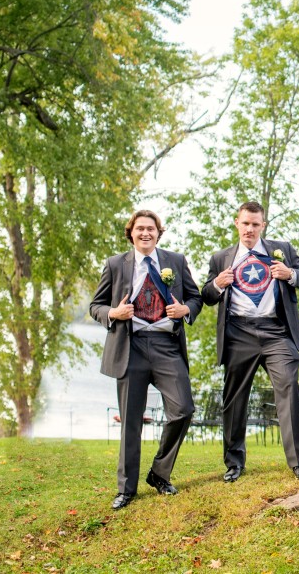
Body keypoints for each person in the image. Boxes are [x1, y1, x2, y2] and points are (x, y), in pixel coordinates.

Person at [90, 210, 202, 510]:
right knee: (130, 423)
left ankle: (159, 473)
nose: (145, 233)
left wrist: (185, 311)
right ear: (131, 233)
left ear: (158, 233)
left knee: (183, 409)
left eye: (150, 229)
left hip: (167, 345)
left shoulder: (175, 261)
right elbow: (96, 305)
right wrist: (113, 313)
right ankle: (126, 489)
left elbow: (195, 298)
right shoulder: (116, 264)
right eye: (139, 229)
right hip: (131, 346)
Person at [202, 201, 299, 482]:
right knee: (234, 398)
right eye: (245, 223)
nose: (250, 229)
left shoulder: (282, 250)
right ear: (236, 223)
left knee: (289, 387)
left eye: (255, 224)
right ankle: (234, 463)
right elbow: (205, 294)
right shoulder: (221, 258)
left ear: (263, 225)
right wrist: (218, 284)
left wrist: (290, 275)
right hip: (239, 333)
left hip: (276, 331)